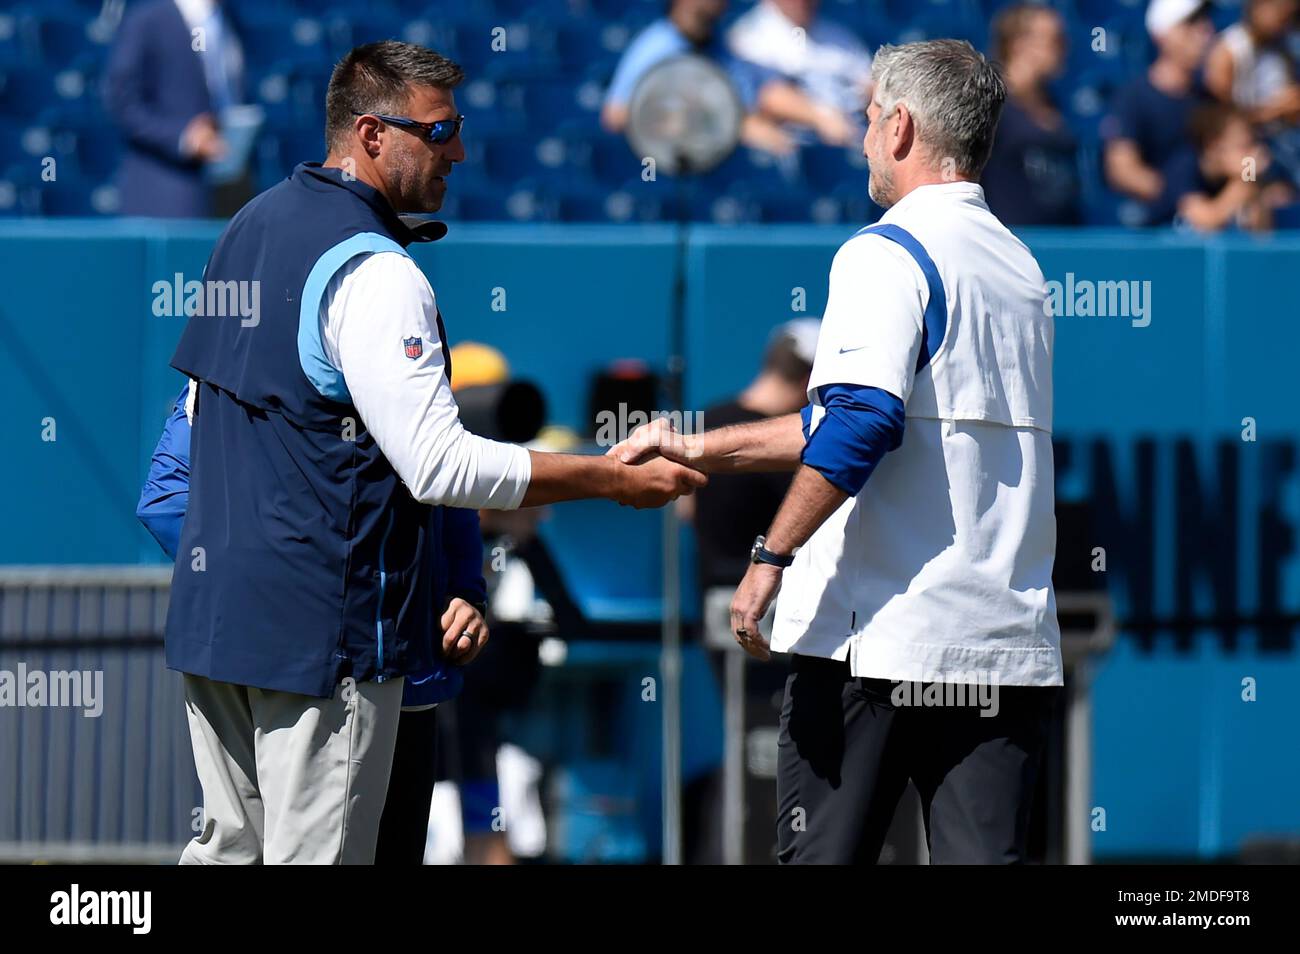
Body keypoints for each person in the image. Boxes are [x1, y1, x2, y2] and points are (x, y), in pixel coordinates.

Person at [163, 41, 705, 865]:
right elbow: (440, 468)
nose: (458, 151)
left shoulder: (247, 227)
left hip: (218, 627)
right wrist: (605, 477)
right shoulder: (377, 271)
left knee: (225, 858)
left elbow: (191, 441)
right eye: (441, 130)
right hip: (324, 640)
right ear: (373, 135)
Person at [615, 40, 1063, 865]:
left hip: (879, 643)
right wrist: (696, 447)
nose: (861, 139)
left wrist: (769, 553)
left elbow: (862, 423)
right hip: (999, 642)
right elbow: (869, 422)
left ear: (899, 126)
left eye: (866, 118)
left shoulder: (884, 250)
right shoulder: (1022, 268)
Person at [135, 383, 478, 865]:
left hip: (405, 673)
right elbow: (166, 500)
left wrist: (465, 591)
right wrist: (288, 599)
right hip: (301, 669)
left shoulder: (407, 358)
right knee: (249, 853)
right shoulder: (231, 365)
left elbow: (450, 484)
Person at [601, 0, 855, 156]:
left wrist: (819, 115)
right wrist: (728, 125)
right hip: (676, 166)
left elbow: (756, 98)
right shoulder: (657, 46)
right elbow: (616, 115)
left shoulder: (720, 47)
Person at [104, 0, 247, 217]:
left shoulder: (229, 19)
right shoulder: (147, 20)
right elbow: (122, 101)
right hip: (167, 184)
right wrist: (184, 137)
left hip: (228, 178)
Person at [1102, 0, 1215, 224]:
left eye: (1204, 22)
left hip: (1213, 230)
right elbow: (1122, 170)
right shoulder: (1134, 97)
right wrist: (1183, 198)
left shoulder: (1210, 98)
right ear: (1162, 35)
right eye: (1191, 24)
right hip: (1160, 234)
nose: (1205, 32)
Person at [983, 3, 1081, 226]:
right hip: (1009, 240)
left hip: (1062, 241)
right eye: (1055, 40)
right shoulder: (989, 102)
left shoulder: (1054, 101)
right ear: (1019, 44)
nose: (1064, 49)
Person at [726, 0, 873, 134]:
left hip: (853, 135)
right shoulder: (748, 35)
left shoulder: (838, 35)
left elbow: (869, 84)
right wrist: (821, 116)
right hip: (799, 142)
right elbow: (766, 94)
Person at [1164, 103, 1295, 231]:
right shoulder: (1183, 167)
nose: (1251, 156)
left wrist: (1251, 183)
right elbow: (1207, 221)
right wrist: (1245, 179)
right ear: (1213, 146)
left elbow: (1261, 233)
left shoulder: (1244, 179)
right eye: (1243, 147)